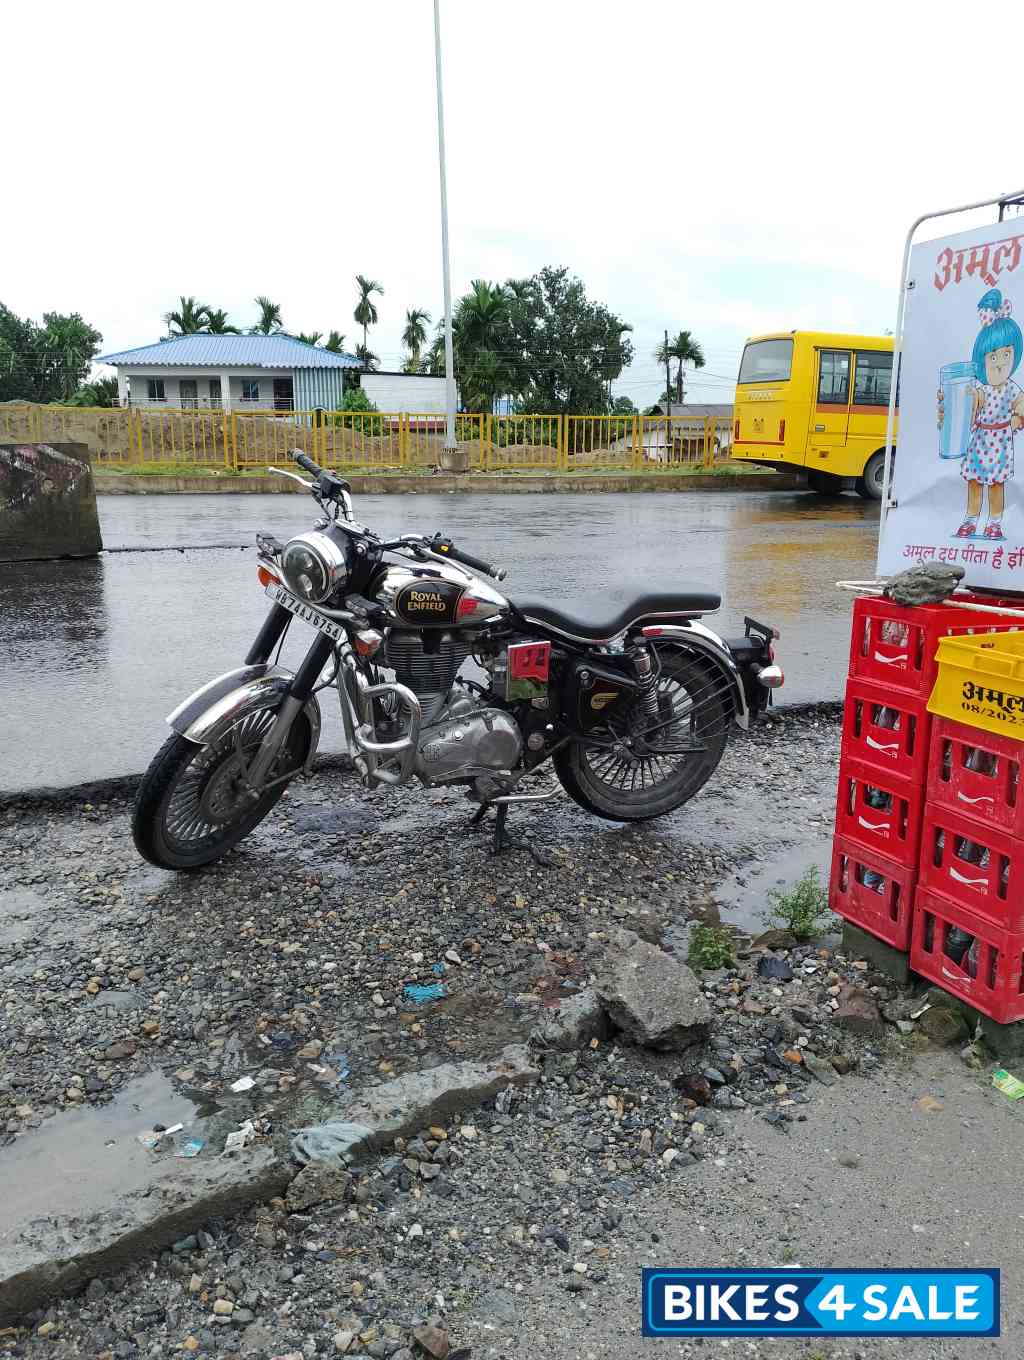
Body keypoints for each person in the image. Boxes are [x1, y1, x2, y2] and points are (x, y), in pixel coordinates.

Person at [939, 288, 1024, 540]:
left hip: (999, 443)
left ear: (1015, 356)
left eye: (1006, 354)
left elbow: (1021, 402)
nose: (1000, 362)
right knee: (974, 482)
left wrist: (1017, 415)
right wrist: (948, 406)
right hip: (979, 443)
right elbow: (967, 407)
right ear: (982, 360)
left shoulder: (1010, 388)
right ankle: (971, 518)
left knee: (996, 485)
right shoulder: (978, 388)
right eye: (993, 356)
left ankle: (995, 521)